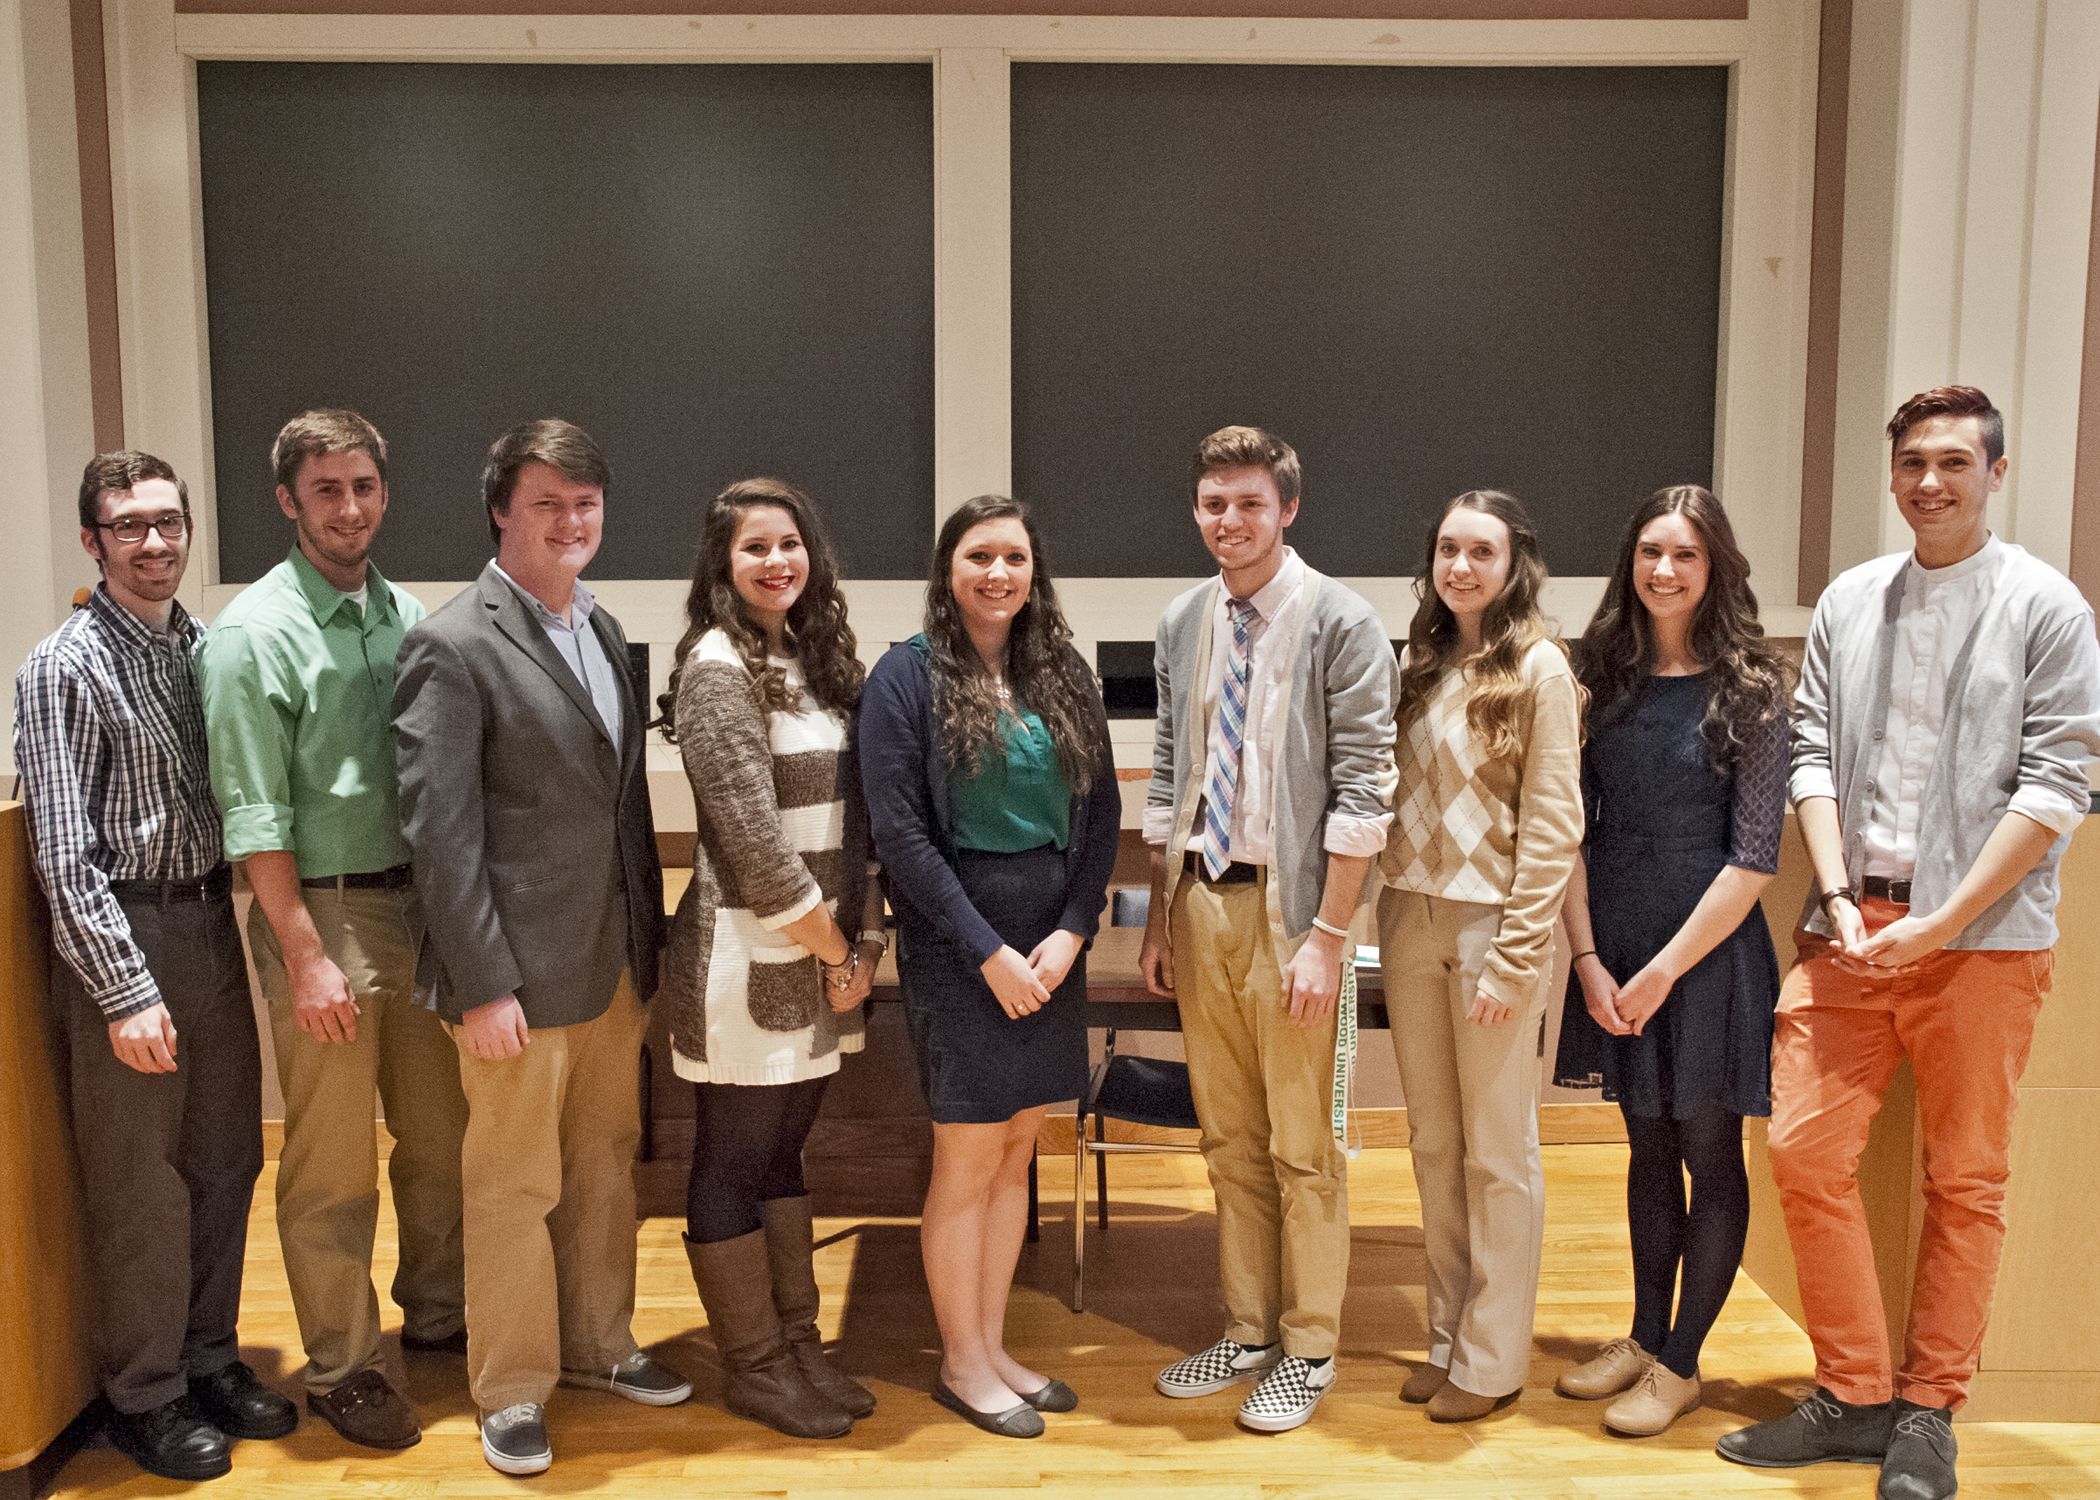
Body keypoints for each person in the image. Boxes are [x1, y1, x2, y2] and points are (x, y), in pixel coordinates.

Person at [1716, 387, 2100, 1500]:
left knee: (1966, 1181)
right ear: (1892, 477)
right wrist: (1837, 894)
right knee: (1802, 1152)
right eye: (1913, 465)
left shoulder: (2047, 607)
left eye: (1953, 463)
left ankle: (1930, 1411)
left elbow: (2056, 782)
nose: (1930, 482)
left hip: (1984, 943)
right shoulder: (1850, 600)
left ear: (1994, 472)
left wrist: (1945, 918)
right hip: (1848, 927)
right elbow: (1813, 757)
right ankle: (1853, 1391)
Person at [392, 419, 681, 1476]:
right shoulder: (453, 641)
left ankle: (602, 1345)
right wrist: (481, 984)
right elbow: (442, 832)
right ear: (502, 512)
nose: (572, 521)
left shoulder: (601, 631)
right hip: (512, 977)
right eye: (549, 503)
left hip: (610, 965)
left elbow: (618, 813)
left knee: (605, 1166)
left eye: (587, 503)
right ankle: (511, 1386)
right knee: (513, 1184)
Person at [13, 452, 298, 1481]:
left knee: (228, 1161)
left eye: (168, 523)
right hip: (125, 942)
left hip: (209, 929)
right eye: (128, 526)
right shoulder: (63, 667)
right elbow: (62, 853)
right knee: (144, 1188)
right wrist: (124, 991)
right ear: (93, 542)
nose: (154, 543)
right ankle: (145, 1392)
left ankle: (211, 1356)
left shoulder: (201, 652)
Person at [197, 409, 466, 1451]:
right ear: (288, 501)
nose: (348, 508)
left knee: (441, 1140)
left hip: (419, 907)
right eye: (325, 491)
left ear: (384, 492)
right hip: (324, 911)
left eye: (362, 486)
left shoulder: (408, 615)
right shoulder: (252, 634)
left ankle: (438, 1314)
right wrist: (303, 956)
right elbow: (253, 810)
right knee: (333, 1160)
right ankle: (346, 1364)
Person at [1140, 427, 1399, 1434]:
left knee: (1306, 1144)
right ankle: (1245, 1330)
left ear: (1287, 508)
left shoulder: (1342, 621)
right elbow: (1172, 772)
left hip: (1298, 919)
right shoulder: (1183, 621)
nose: (1229, 521)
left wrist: (1329, 936)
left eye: (1249, 503)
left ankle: (1309, 1345)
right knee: (1230, 1139)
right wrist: (1164, 914)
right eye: (1213, 503)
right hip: (1203, 902)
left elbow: (1364, 792)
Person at [860, 494, 1119, 1439]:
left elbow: (1102, 819)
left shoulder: (1063, 674)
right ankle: (961, 1365)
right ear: (948, 570)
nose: (998, 574)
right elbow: (900, 836)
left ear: (1034, 570)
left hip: (1050, 945)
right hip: (960, 942)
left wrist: (1074, 931)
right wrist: (989, 954)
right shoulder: (904, 677)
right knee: (968, 1156)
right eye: (979, 557)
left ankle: (996, 1343)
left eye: (1014, 556)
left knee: (1019, 1149)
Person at [1550, 486, 1789, 1436]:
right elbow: (1568, 829)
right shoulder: (1598, 678)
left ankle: (1684, 1361)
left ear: (1715, 567)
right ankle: (1647, 1336)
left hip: (1709, 953)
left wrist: (1664, 970)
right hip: (1613, 941)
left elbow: (1756, 856)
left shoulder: (1755, 689)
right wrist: (1589, 958)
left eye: (1686, 555)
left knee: (1707, 1151)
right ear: (1630, 561)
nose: (1664, 570)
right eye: (1651, 551)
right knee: (1646, 1147)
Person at [656, 479, 884, 1439]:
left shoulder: (814, 661)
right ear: (722, 565)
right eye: (754, 548)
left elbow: (856, 821)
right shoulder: (714, 668)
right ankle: (753, 1366)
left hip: (824, 955)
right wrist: (838, 947)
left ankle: (799, 1347)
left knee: (784, 1154)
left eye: (789, 543)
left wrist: (863, 939)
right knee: (732, 1158)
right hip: (745, 955)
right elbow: (753, 843)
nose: (776, 562)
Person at [1379, 489, 1582, 1423]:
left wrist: (1516, 956)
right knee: (1433, 1145)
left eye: (1482, 552)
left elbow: (1552, 825)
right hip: (1409, 919)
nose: (1461, 567)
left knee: (1500, 1153)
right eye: (1448, 549)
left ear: (1514, 564)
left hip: (1491, 927)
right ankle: (1447, 1337)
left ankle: (1495, 1361)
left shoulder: (1539, 667)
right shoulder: (1418, 661)